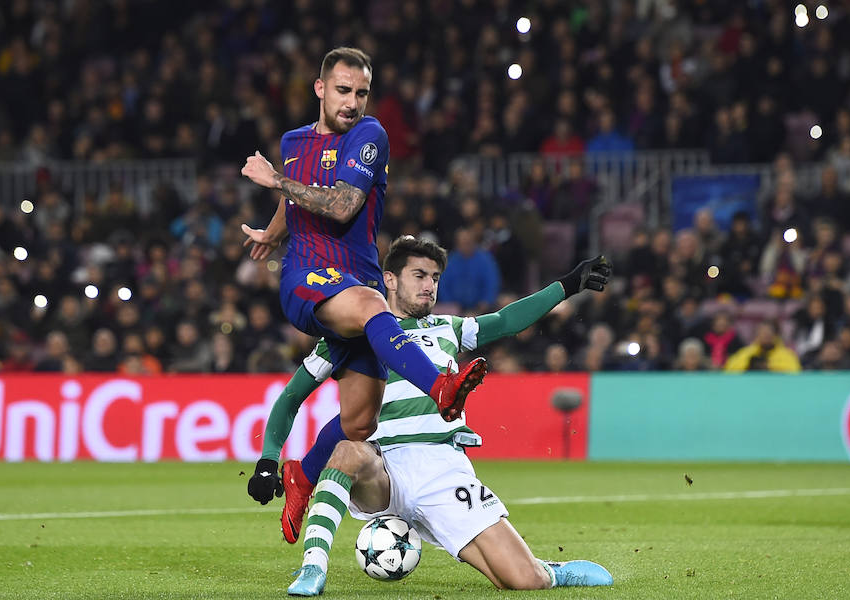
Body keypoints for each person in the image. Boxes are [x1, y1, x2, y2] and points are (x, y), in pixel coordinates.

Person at [246, 235, 612, 595]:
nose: (429, 286)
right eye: (419, 275)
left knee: (522, 580)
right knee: (346, 450)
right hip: (383, 466)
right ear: (389, 279)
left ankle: (548, 571)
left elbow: (506, 321)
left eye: (435, 278)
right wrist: (268, 459)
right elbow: (290, 398)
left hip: (441, 468)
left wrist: (565, 286)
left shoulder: (447, 328)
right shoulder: (349, 335)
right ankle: (313, 568)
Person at [239, 48, 488, 541]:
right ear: (320, 89)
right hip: (308, 276)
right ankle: (439, 387)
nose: (352, 102)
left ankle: (301, 475)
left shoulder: (368, 135)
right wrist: (274, 233)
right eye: (343, 90)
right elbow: (297, 201)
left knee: (359, 422)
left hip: (358, 281)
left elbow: (343, 203)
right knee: (376, 307)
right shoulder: (294, 141)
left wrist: (276, 182)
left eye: (361, 93)